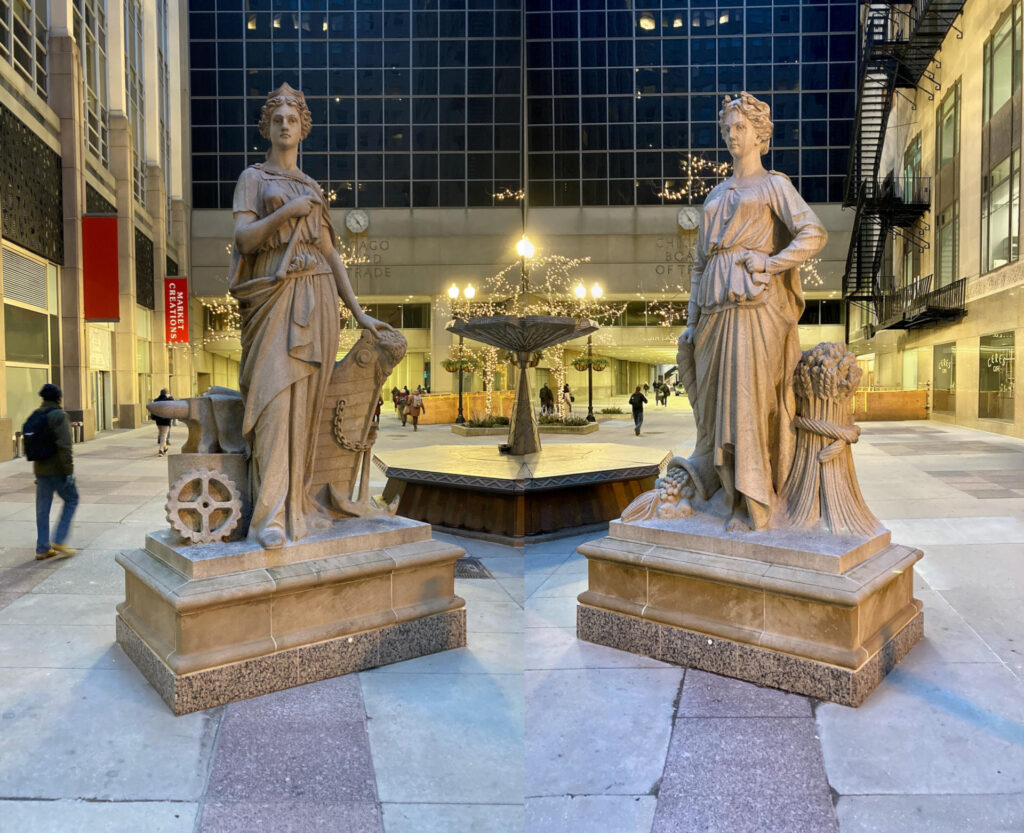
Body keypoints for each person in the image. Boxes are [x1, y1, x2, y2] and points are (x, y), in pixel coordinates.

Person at [229, 83, 391, 549]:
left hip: (317, 299)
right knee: (276, 406)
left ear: (303, 129)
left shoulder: (312, 188)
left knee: (308, 413)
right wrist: (286, 215)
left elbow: (331, 254)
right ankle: (269, 516)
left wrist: (359, 314)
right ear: (267, 126)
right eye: (277, 119)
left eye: (292, 120)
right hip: (276, 299)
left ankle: (297, 504)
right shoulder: (253, 178)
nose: (284, 125)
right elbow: (243, 241)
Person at [675, 92, 827, 532]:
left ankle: (753, 504)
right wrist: (690, 322)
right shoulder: (716, 193)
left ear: (760, 134)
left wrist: (770, 262)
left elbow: (813, 234)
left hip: (754, 310)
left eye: (740, 127)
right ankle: (725, 492)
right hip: (714, 316)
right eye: (727, 128)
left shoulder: (773, 185)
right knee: (716, 409)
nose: (731, 134)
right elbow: (700, 265)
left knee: (747, 406)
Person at [24, 384, 78, 560]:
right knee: (72, 499)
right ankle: (59, 540)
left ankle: (42, 548)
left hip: (40, 470)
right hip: (58, 469)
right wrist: (69, 471)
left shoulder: (36, 415)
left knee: (42, 508)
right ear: (58, 398)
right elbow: (65, 446)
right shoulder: (59, 416)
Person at [153, 388, 174, 456]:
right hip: (166, 420)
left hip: (158, 421)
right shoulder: (169, 400)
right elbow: (173, 405)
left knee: (161, 433)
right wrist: (170, 397)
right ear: (166, 394)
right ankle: (161, 449)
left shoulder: (156, 400)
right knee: (164, 435)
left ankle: (165, 448)